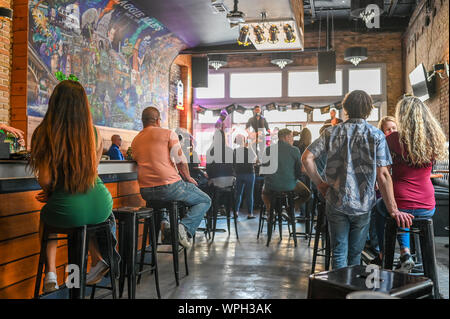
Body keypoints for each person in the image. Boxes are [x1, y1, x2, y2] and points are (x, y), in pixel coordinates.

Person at [302, 90, 409, 270]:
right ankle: (351, 291)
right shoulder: (377, 135)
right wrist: (393, 209)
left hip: (335, 200)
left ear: (346, 109)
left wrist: (320, 183)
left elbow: (306, 158)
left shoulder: (331, 132)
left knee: (338, 252)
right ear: (369, 109)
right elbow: (383, 175)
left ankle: (338, 290)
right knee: (355, 254)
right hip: (363, 202)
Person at [29, 80, 117, 292]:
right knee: (84, 224)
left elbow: (46, 179)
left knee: (48, 217)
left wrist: (52, 194)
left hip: (68, 208)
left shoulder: (44, 133)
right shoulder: (94, 133)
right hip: (101, 204)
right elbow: (93, 172)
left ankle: (50, 273)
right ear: (83, 105)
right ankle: (95, 262)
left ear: (54, 103)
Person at [375, 96, 447, 272]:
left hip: (400, 202)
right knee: (405, 212)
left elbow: (384, 173)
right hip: (427, 205)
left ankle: (387, 253)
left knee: (379, 208)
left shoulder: (392, 139)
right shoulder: (434, 139)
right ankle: (409, 255)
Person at [131, 107, 211, 248]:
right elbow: (180, 160)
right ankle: (183, 228)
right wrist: (187, 178)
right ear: (157, 120)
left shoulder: (136, 140)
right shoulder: (168, 133)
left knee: (163, 202)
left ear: (143, 121)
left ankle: (165, 225)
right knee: (205, 200)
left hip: (146, 192)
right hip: (169, 187)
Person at [261, 128, 311, 219]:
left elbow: (264, 169)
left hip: (271, 185)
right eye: (291, 137)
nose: (292, 139)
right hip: (290, 185)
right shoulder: (295, 150)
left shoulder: (268, 149)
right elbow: (299, 171)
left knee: (264, 193)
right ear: (286, 137)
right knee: (306, 194)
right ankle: (290, 208)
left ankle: (270, 212)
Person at [233, 134, 257, 219]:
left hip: (239, 174)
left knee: (238, 194)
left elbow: (233, 163)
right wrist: (250, 145)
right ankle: (250, 213)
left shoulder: (235, 151)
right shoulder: (248, 149)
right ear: (244, 140)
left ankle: (236, 211)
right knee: (249, 194)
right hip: (249, 173)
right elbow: (255, 158)